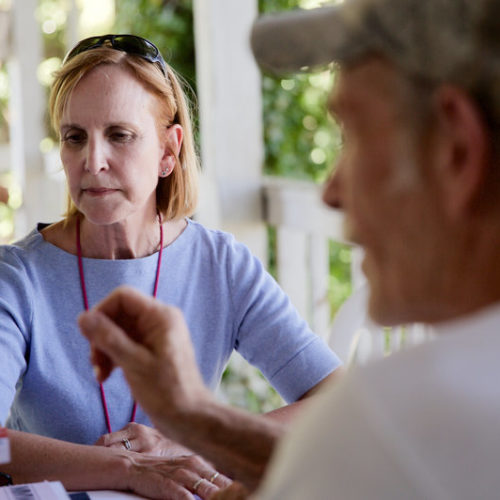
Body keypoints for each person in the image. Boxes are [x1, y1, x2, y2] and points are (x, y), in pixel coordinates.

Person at [80, 0, 500, 498]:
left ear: (456, 151)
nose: (330, 191)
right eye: (73, 137)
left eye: (355, 135)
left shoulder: (413, 417)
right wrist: (194, 418)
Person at [0, 33, 341, 498]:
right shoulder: (17, 277)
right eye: (74, 137)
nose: (92, 161)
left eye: (120, 135)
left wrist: (193, 443)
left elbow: (336, 404)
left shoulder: (221, 264)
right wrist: (125, 468)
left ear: (168, 151)